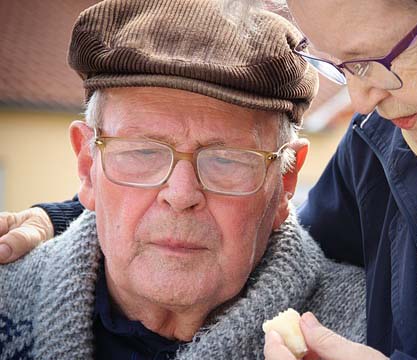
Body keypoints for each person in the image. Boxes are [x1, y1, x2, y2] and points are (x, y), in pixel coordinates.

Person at [2, 0, 417, 359]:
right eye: (336, 65)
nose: (359, 103)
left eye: (380, 58)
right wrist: (67, 229)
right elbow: (260, 233)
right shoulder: (392, 127)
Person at [0, 0, 367, 359]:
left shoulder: (369, 330)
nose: (181, 195)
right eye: (143, 152)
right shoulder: (7, 295)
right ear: (87, 165)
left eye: (225, 159)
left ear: (285, 181)